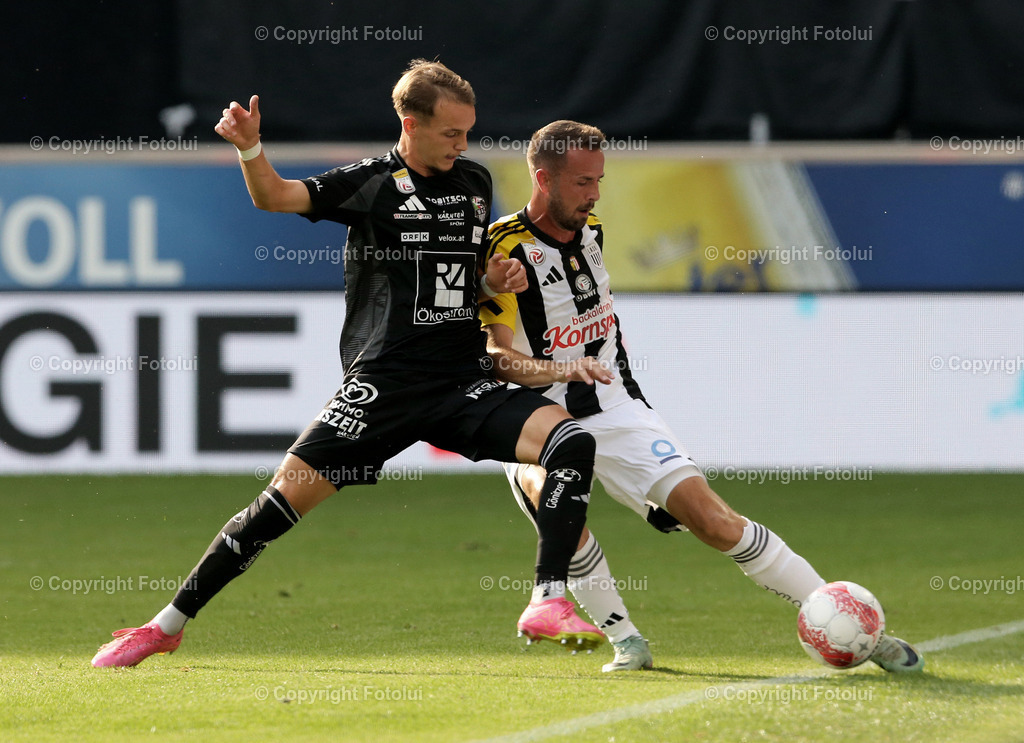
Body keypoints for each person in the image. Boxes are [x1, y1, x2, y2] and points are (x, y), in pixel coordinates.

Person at [91, 61, 608, 668]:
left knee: (569, 441)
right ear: (410, 124)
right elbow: (274, 196)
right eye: (450, 133)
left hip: (462, 380)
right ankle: (165, 625)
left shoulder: (473, 181)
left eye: (468, 132)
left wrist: (488, 277)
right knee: (277, 507)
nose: (462, 145)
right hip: (385, 384)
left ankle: (547, 599)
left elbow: (454, 277)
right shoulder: (371, 183)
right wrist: (250, 147)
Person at [480, 119, 925, 674]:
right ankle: (627, 642)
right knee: (560, 513)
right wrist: (551, 355)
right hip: (534, 419)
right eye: (582, 183)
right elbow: (495, 359)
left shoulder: (591, 230)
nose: (595, 194)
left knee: (714, 522)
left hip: (615, 407)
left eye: (599, 180)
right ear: (542, 179)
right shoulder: (500, 252)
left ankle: (855, 626)